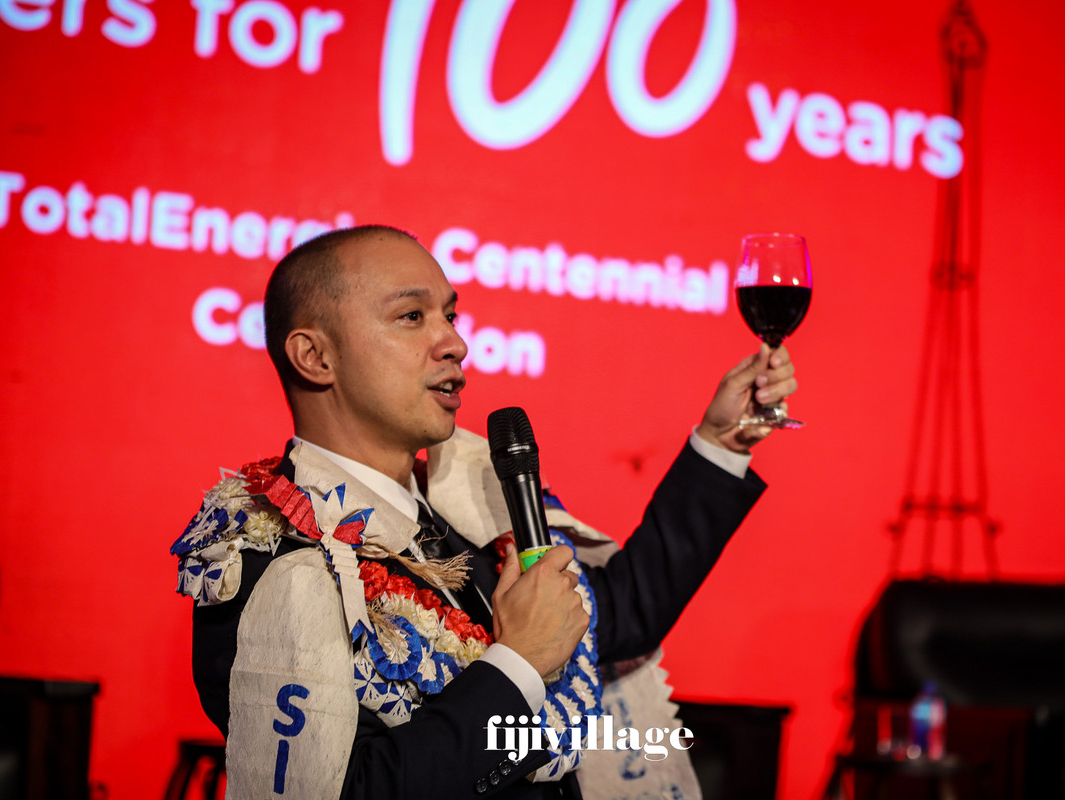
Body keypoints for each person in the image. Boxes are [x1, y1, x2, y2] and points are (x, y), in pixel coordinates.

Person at [173, 225, 797, 799]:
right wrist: (518, 663)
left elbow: (619, 616)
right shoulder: (269, 556)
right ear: (316, 357)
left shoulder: (456, 514)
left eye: (450, 315)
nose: (455, 343)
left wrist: (722, 443)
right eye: (412, 316)